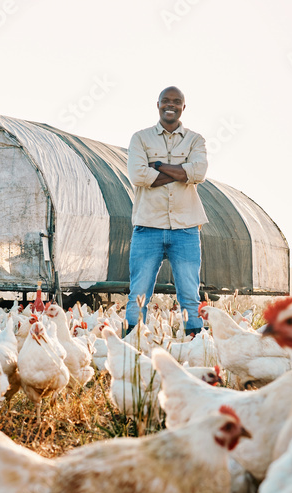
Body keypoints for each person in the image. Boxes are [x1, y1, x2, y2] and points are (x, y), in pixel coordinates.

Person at [125, 86, 208, 337]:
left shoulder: (196, 140)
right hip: (148, 225)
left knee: (189, 294)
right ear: (158, 104)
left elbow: (199, 174)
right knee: (138, 292)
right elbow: (138, 175)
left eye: (176, 101)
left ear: (184, 106)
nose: (170, 105)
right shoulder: (140, 138)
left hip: (186, 228)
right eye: (166, 101)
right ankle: (132, 345)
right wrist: (181, 172)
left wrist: (158, 166)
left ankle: (195, 347)